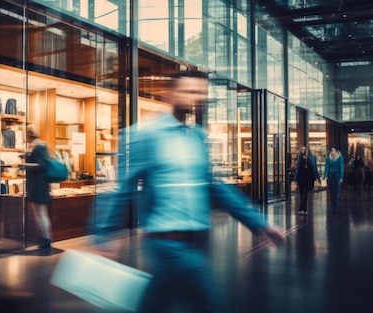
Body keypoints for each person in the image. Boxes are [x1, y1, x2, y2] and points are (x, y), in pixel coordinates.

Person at [92, 70, 285, 313]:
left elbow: (215, 188)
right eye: (190, 91)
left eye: (201, 92)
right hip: (166, 243)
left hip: (198, 242)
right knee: (212, 303)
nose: (197, 97)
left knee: (155, 302)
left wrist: (259, 223)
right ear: (171, 94)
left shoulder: (198, 137)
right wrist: (102, 237)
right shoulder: (145, 135)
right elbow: (122, 189)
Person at [24, 126, 54, 249]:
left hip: (39, 185)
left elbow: (41, 165)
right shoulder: (38, 146)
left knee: (41, 213)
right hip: (37, 185)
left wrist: (25, 165)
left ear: (29, 136)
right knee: (40, 213)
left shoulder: (39, 147)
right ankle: (44, 238)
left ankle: (46, 238)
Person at [293, 146, 320, 215]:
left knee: (305, 193)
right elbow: (297, 169)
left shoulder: (311, 158)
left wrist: (316, 177)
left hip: (308, 178)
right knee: (302, 193)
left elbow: (314, 168)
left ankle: (302, 208)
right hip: (301, 178)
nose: (303, 151)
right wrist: (295, 179)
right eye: (302, 149)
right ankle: (303, 208)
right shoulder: (300, 158)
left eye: (304, 149)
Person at [323, 148, 344, 214]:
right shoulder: (329, 158)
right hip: (332, 175)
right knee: (332, 192)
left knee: (336, 192)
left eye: (334, 154)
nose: (333, 155)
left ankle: (335, 207)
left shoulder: (339, 158)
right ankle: (334, 207)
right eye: (332, 154)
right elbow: (327, 167)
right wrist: (326, 176)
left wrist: (341, 177)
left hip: (335, 175)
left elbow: (341, 167)